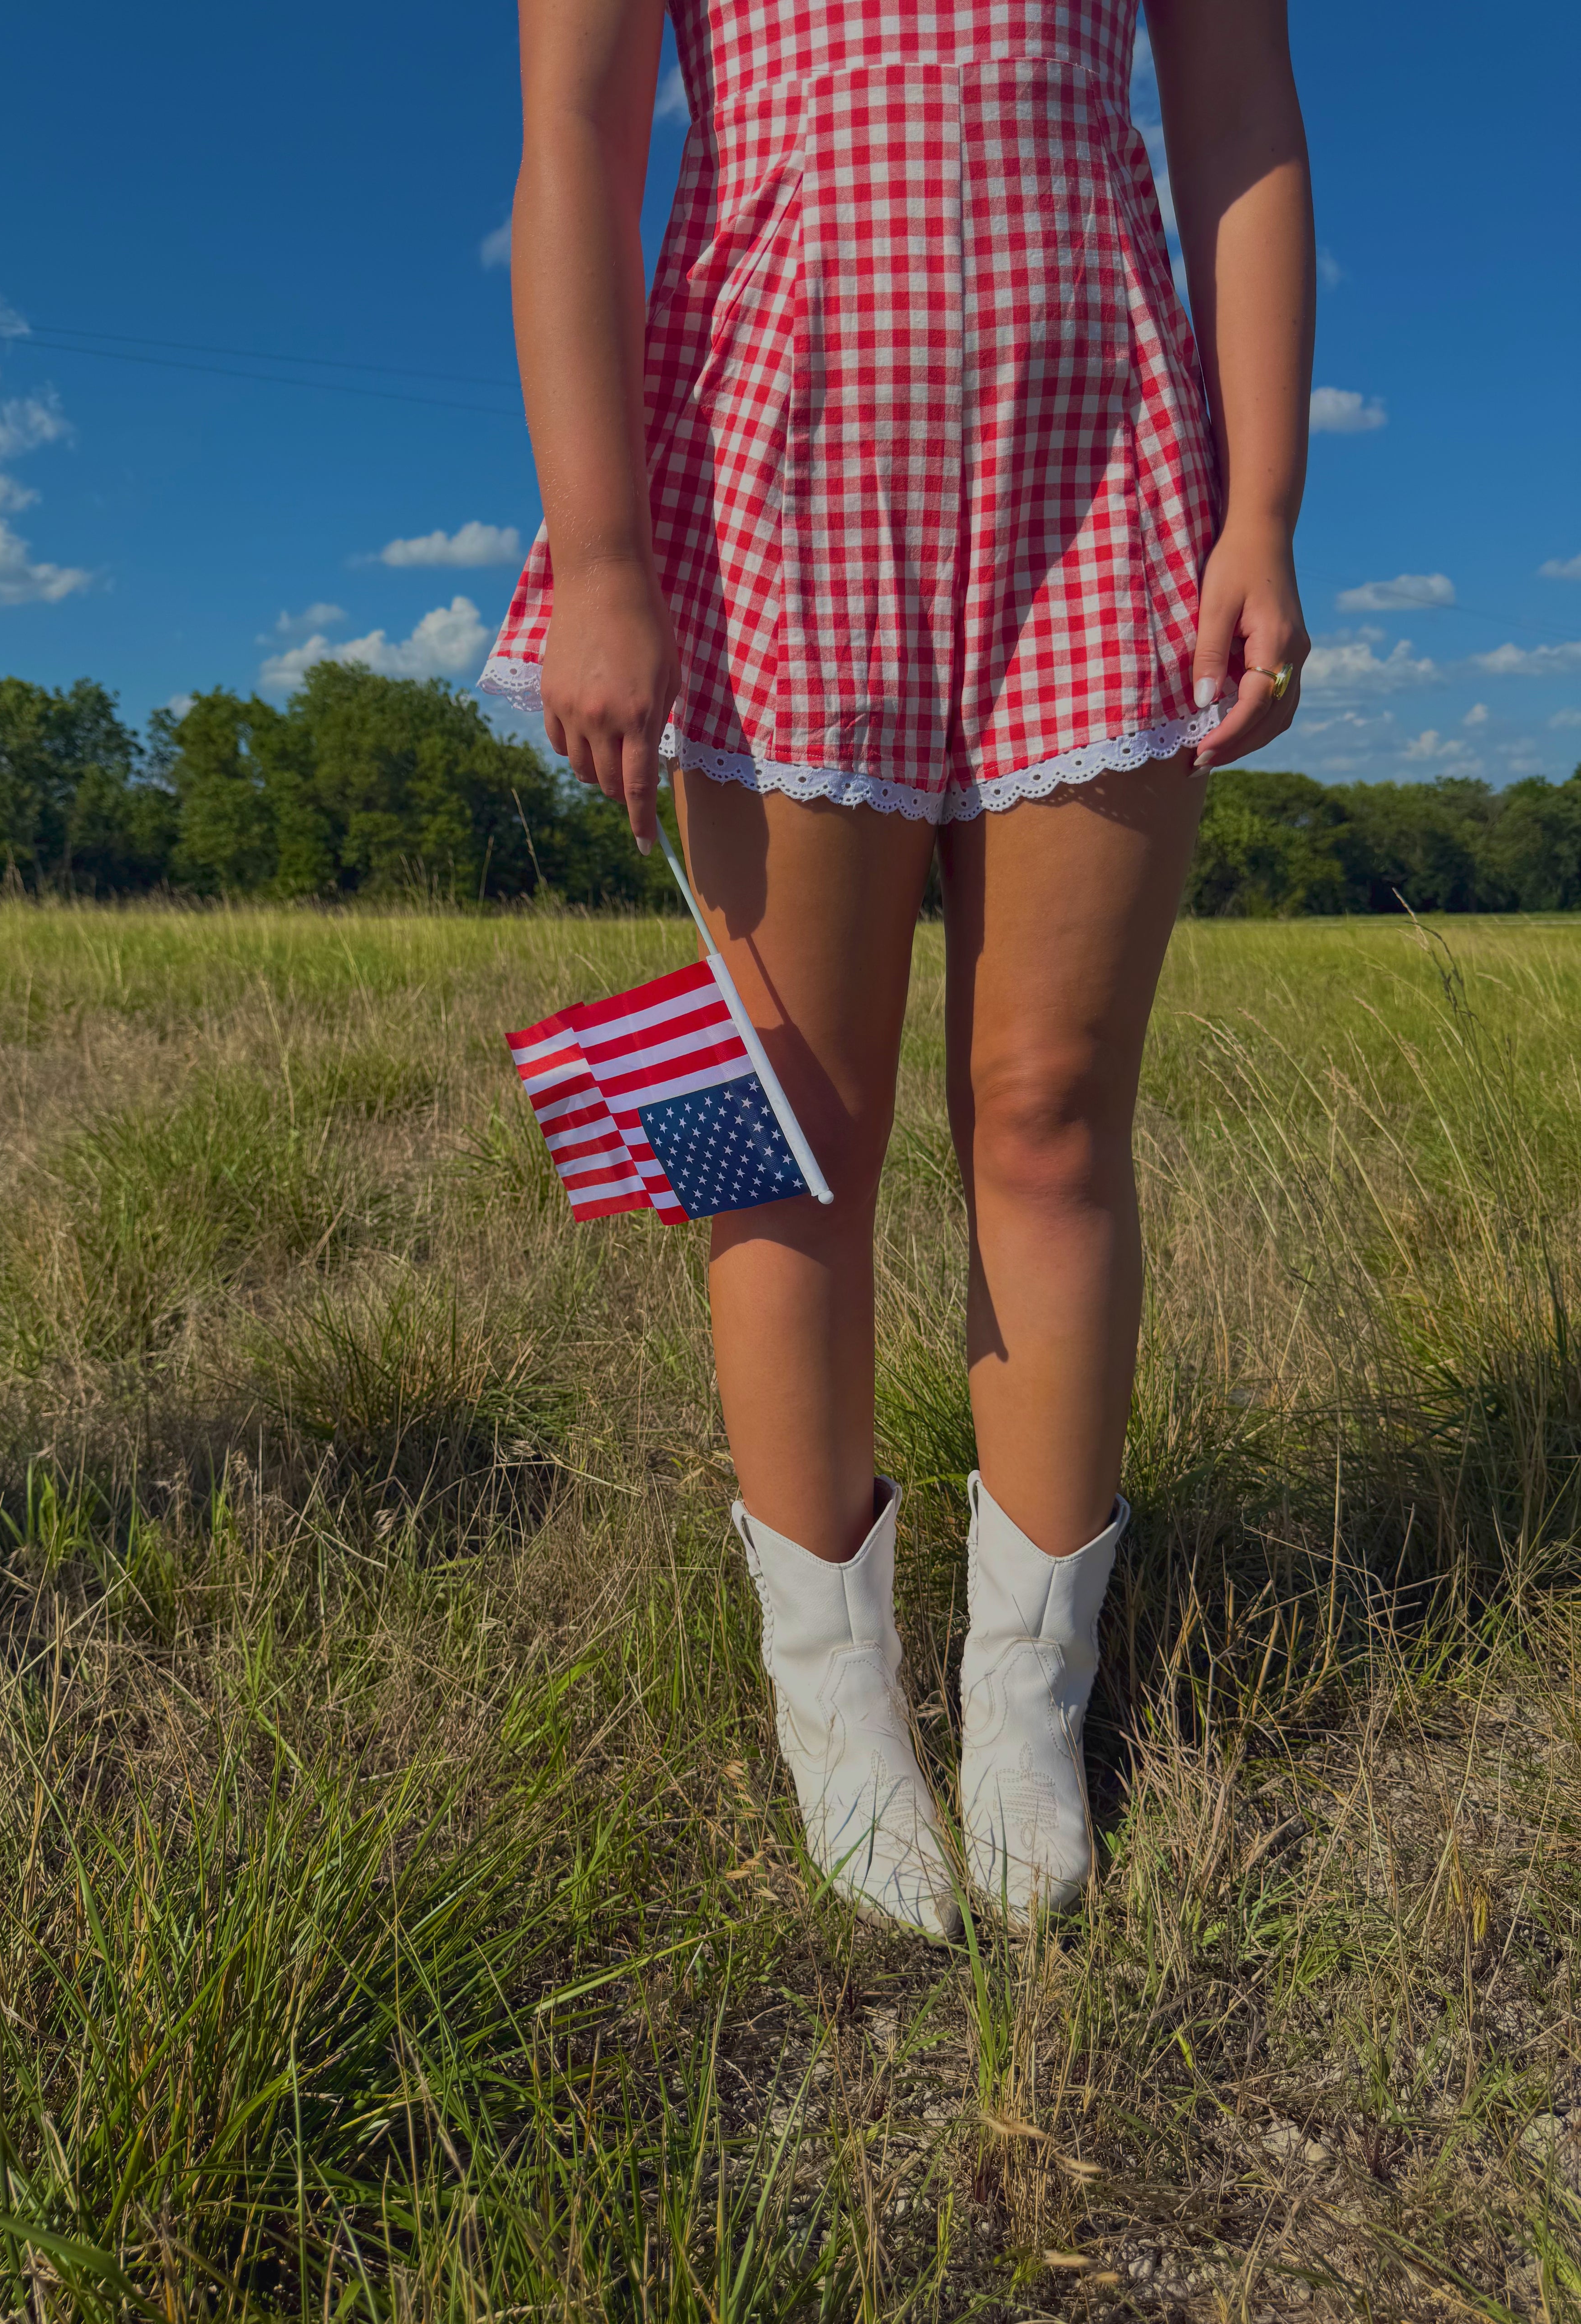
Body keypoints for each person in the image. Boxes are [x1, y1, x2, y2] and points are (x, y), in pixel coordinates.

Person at [482, 0, 1312, 1936]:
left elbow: (1242, 111)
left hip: (1097, 456)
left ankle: (1026, 1693)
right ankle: (833, 1693)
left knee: (1049, 1115)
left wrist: (1261, 502)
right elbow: (577, 138)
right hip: (765, 459)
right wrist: (599, 549)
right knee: (766, 1131)